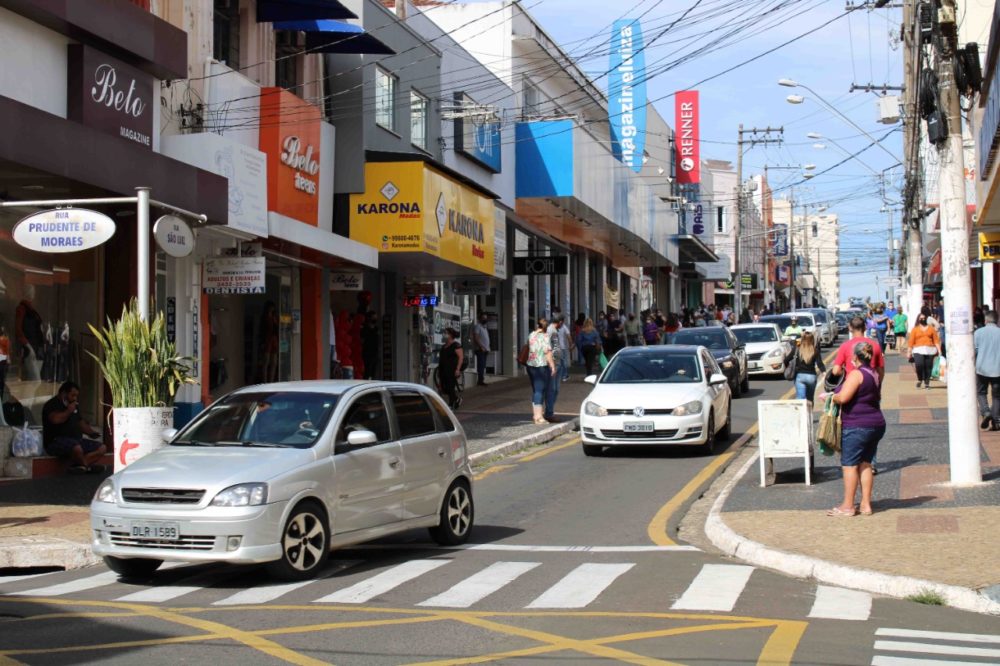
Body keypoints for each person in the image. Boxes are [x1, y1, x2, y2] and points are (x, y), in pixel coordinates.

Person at [819, 342, 886, 517]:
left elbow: (844, 397)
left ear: (855, 357)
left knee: (849, 465)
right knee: (866, 464)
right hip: (876, 423)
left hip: (857, 425)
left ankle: (848, 506)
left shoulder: (857, 374)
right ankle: (865, 505)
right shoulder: (874, 373)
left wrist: (831, 397)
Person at [42, 381, 106, 474]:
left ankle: (80, 465)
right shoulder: (52, 404)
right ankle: (88, 467)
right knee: (76, 448)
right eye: (73, 395)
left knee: (102, 448)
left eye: (76, 396)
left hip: (76, 440)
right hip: (55, 441)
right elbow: (55, 419)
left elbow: (80, 422)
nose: (75, 398)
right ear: (64, 393)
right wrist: (69, 411)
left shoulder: (74, 406)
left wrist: (92, 433)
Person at [832, 316, 885, 384]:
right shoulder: (875, 345)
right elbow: (880, 371)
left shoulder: (844, 346)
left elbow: (835, 371)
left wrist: (846, 373)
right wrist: (877, 386)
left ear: (850, 328)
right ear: (865, 328)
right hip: (870, 384)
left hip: (851, 385)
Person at [526, 318, 557, 425]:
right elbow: (547, 353)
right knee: (540, 391)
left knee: (536, 390)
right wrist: (552, 366)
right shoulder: (545, 337)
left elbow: (529, 347)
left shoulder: (531, 335)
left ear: (537, 325)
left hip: (530, 365)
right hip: (541, 366)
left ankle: (536, 415)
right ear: (546, 327)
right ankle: (539, 417)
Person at [974, 310, 1000, 430]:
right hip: (998, 370)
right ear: (997, 320)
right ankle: (996, 420)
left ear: (986, 320)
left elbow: (975, 351)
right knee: (997, 396)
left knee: (981, 392)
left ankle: (986, 412)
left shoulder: (978, 333)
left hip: (981, 369)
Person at [785, 331, 826, 404]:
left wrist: (787, 367)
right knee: (810, 400)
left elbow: (786, 360)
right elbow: (820, 363)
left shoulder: (797, 349)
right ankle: (809, 411)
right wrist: (824, 372)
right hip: (811, 377)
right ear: (812, 340)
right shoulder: (815, 350)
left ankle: (802, 411)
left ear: (802, 339)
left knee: (801, 399)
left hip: (800, 376)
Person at [907, 313, 941, 390]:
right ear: (918, 319)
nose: (922, 319)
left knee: (928, 367)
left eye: (924, 318)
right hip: (918, 350)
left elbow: (936, 340)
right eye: (921, 318)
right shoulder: (915, 329)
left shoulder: (931, 329)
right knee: (919, 364)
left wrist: (939, 350)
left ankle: (927, 383)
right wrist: (909, 351)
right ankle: (920, 379)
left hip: (930, 350)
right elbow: (911, 341)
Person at [438, 327, 463, 410]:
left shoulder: (456, 345)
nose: (444, 334)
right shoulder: (443, 347)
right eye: (444, 333)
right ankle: (456, 399)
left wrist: (458, 369)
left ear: (451, 335)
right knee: (444, 388)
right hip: (443, 370)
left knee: (450, 387)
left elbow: (461, 357)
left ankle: (451, 403)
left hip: (451, 370)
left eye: (446, 333)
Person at [360, 311, 380, 380]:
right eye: (373, 317)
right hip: (367, 353)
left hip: (375, 353)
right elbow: (362, 340)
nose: (375, 319)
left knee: (373, 372)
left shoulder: (376, 329)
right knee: (367, 371)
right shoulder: (365, 329)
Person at [472, 313, 490, 386]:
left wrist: (488, 347)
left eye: (486, 318)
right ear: (480, 319)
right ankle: (480, 381)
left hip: (485, 349)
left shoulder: (484, 327)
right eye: (483, 318)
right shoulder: (478, 326)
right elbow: (476, 338)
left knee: (483, 365)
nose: (485, 319)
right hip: (480, 349)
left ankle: (481, 379)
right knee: (481, 365)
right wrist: (481, 346)